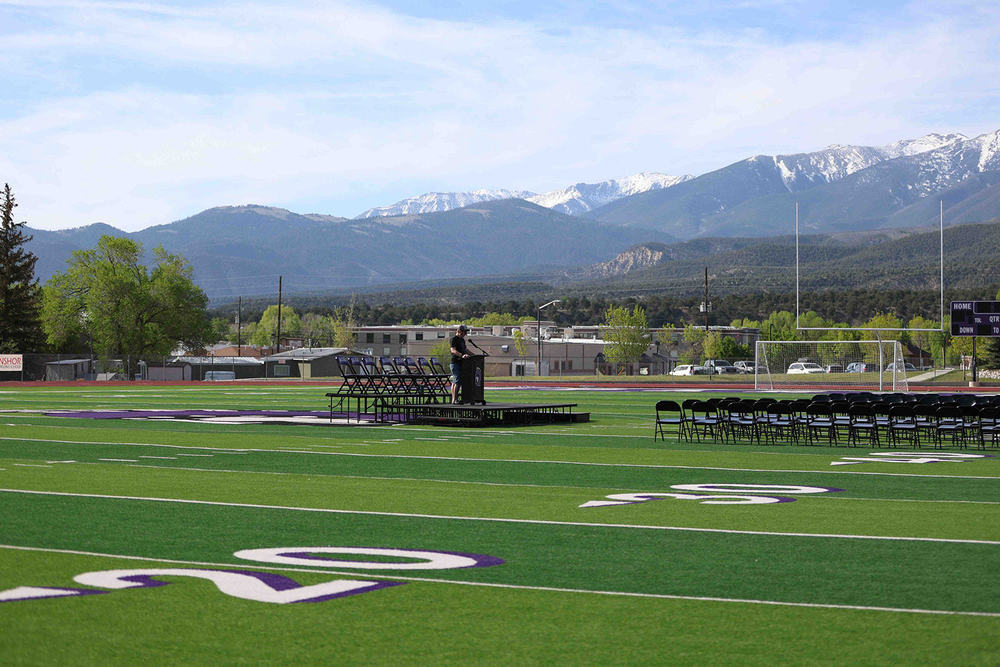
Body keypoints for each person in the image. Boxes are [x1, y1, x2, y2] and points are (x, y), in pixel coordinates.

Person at [450, 324, 471, 404]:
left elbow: (465, 350)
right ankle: (455, 400)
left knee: (456, 381)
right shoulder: (454, 339)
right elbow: (453, 350)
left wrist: (474, 355)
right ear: (459, 331)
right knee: (457, 381)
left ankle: (453, 400)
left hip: (461, 363)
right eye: (464, 332)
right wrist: (462, 355)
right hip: (455, 362)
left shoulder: (462, 340)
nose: (465, 334)